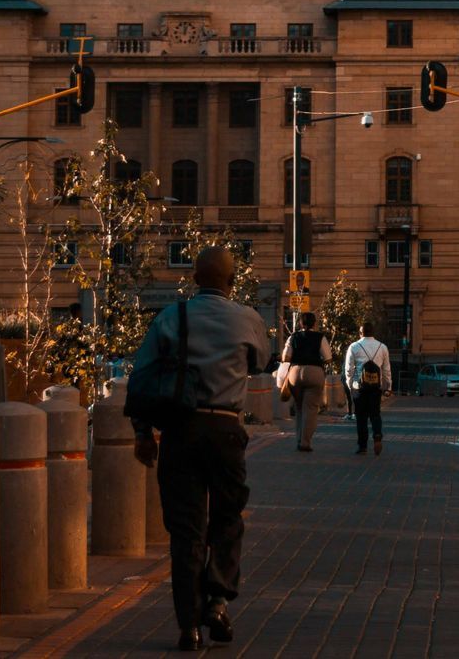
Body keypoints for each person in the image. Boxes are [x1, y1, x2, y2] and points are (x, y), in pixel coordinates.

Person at [128, 245, 271, 653]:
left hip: (181, 432)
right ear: (231, 281)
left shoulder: (173, 317)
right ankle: (220, 600)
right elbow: (261, 361)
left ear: (194, 279)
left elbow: (141, 378)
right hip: (226, 431)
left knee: (186, 531)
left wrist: (142, 433)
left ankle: (188, 627)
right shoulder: (248, 319)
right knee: (227, 519)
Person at [280, 312, 331, 452]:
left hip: (295, 373)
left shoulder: (293, 336)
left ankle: (299, 438)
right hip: (315, 372)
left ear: (300, 324)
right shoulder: (320, 337)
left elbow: (286, 356)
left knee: (299, 407)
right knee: (311, 409)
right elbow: (327, 358)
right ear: (314, 323)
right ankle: (305, 442)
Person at [344, 322, 392, 456]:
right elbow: (386, 370)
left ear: (361, 333)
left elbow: (348, 370)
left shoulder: (354, 347)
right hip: (376, 388)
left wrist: (350, 386)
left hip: (359, 388)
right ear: (373, 333)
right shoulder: (382, 347)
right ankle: (377, 435)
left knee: (361, 417)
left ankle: (363, 446)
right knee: (375, 414)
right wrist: (388, 387)